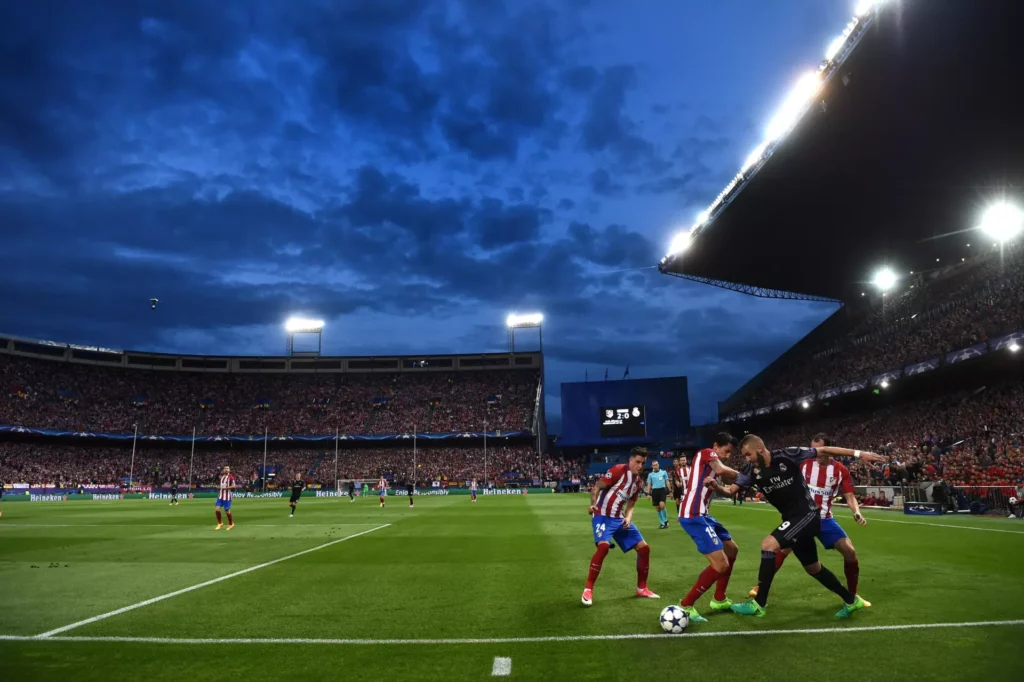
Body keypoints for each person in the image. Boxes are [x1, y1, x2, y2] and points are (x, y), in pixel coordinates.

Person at [711, 435, 881, 619]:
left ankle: (759, 604)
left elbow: (823, 450)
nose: (747, 459)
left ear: (760, 448)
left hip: (808, 515)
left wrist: (859, 453)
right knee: (813, 568)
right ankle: (851, 600)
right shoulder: (751, 470)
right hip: (793, 519)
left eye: (748, 454)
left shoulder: (787, 455)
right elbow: (731, 491)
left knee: (768, 545)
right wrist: (715, 486)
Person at [748, 434, 873, 606]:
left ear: (828, 449)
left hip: (825, 518)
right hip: (801, 517)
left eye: (820, 450)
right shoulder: (804, 464)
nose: (817, 455)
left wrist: (857, 512)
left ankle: (852, 595)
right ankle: (760, 588)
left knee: (849, 551)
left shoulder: (840, 470)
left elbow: (849, 496)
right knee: (780, 550)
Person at [676, 433, 742, 623]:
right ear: (715, 445)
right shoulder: (706, 453)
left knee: (732, 549)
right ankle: (686, 605)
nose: (727, 455)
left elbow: (730, 486)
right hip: (693, 515)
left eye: (730, 452)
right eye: (726, 450)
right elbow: (722, 470)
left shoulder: (713, 467)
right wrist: (747, 474)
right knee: (720, 565)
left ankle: (719, 599)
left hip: (703, 514)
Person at [582, 447, 659, 606]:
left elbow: (631, 504)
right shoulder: (618, 470)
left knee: (644, 549)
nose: (640, 466)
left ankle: (641, 588)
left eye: (643, 463)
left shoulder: (638, 482)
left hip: (619, 519)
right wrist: (592, 505)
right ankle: (588, 589)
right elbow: (597, 487)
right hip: (602, 515)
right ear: (630, 460)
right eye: (637, 462)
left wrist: (628, 517)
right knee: (603, 547)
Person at [647, 460, 670, 529]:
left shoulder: (663, 472)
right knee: (657, 508)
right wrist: (648, 493)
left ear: (658, 465)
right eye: (654, 465)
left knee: (662, 505)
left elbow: (667, 481)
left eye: (656, 465)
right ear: (652, 466)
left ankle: (665, 521)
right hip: (654, 491)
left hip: (662, 490)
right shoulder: (650, 474)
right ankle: (662, 523)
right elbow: (649, 484)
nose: (655, 466)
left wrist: (670, 490)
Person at [214, 466, 236, 531]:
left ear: (229, 470)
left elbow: (234, 486)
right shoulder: (222, 477)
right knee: (217, 509)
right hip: (220, 496)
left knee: (227, 511)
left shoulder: (231, 477)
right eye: (225, 469)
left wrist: (224, 488)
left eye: (227, 469)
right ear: (223, 470)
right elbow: (222, 486)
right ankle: (220, 523)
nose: (226, 470)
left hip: (227, 497)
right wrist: (219, 487)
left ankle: (231, 523)